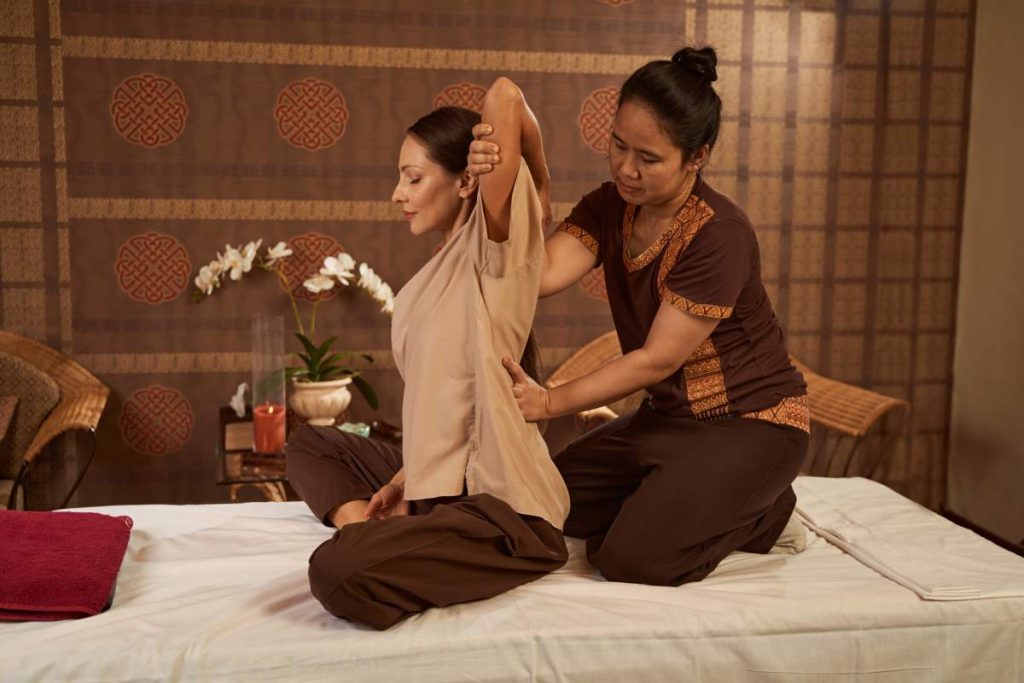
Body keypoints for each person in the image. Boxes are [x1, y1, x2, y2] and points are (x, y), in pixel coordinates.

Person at [471, 47, 810, 587]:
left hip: (752, 427)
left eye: (648, 159)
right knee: (549, 504)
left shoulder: (719, 234)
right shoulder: (610, 207)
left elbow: (655, 360)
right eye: (618, 145)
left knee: (630, 559)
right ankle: (696, 495)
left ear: (696, 157)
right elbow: (536, 276)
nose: (626, 169)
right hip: (669, 425)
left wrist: (551, 402)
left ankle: (764, 509)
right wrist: (537, 181)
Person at [284, 78, 569, 630]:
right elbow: (447, 407)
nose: (398, 193)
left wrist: (539, 177)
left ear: (467, 181)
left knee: (336, 573)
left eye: (413, 178)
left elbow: (505, 96)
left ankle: (377, 541)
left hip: (502, 508)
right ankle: (375, 527)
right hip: (441, 480)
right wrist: (404, 480)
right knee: (311, 442)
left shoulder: (496, 252)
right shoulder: (439, 270)